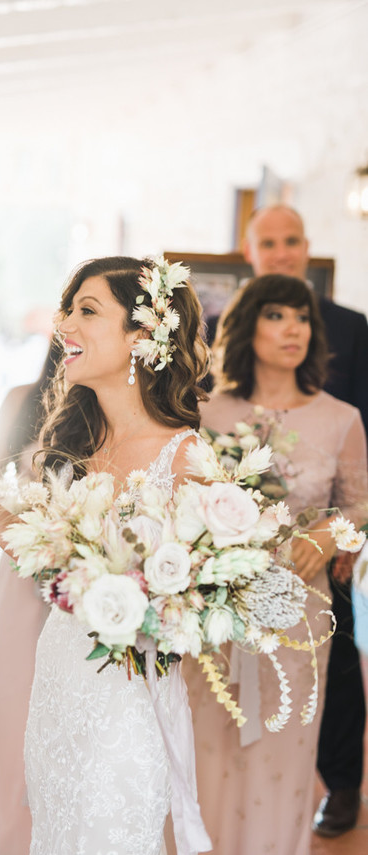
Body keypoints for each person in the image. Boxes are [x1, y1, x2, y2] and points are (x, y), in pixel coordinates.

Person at [0, 255, 211, 855]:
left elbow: (199, 601)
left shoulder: (184, 456)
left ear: (142, 335)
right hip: (58, 677)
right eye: (67, 308)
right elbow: (42, 555)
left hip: (126, 699)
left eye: (87, 310)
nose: (64, 323)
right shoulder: (78, 439)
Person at [181, 272, 367, 855]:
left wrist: (332, 538)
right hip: (215, 605)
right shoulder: (207, 410)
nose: (294, 328)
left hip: (299, 611)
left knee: (284, 745)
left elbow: (359, 509)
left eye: (303, 317)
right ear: (247, 325)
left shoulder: (340, 418)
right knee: (208, 741)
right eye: (277, 315)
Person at [242, 204, 368, 837]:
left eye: (293, 240)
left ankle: (342, 784)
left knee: (336, 661)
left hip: (321, 543)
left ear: (307, 247)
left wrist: (351, 532)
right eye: (271, 241)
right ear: (250, 251)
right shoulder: (219, 331)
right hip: (230, 542)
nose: (283, 251)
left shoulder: (351, 326)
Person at [0, 342, 59, 855]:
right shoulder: (23, 399)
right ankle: (6, 841)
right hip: (25, 575)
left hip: (101, 582)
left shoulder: (119, 409)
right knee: (14, 709)